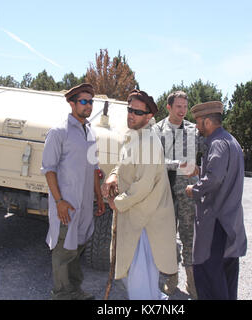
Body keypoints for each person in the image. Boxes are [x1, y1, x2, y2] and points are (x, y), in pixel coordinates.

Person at [102, 89, 178, 300]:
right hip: (135, 217)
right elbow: (125, 165)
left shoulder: (148, 143)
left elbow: (143, 186)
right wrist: (114, 176)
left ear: (148, 116)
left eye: (136, 111)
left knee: (138, 277)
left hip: (145, 222)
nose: (131, 115)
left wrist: (117, 203)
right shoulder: (135, 137)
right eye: (129, 109)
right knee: (135, 274)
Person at [41, 83, 105, 300]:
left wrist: (99, 197)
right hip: (66, 205)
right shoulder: (59, 132)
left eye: (90, 102)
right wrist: (59, 201)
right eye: (84, 102)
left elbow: (94, 169)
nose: (88, 106)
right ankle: (61, 294)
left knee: (77, 248)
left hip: (85, 205)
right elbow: (48, 170)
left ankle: (75, 291)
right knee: (62, 251)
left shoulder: (90, 133)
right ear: (72, 103)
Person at [185, 101, 247, 300]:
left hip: (215, 224)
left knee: (208, 276)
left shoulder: (217, 143)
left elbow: (215, 178)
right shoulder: (231, 141)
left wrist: (193, 189)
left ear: (208, 122)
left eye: (198, 122)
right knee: (227, 279)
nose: (196, 126)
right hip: (230, 222)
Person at [152, 91, 199, 299]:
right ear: (169, 107)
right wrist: (176, 164)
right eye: (178, 106)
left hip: (188, 195)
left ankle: (192, 282)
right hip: (166, 194)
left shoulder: (193, 130)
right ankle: (171, 279)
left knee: (189, 238)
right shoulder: (157, 130)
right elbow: (154, 162)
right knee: (168, 239)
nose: (182, 111)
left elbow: (204, 156)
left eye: (185, 107)